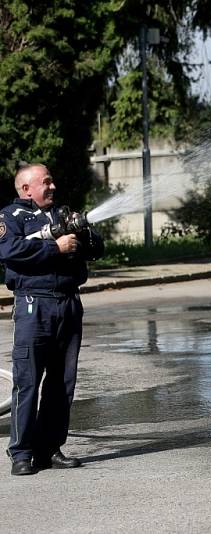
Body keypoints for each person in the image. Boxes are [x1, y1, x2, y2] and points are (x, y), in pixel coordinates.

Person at [1, 164, 104, 475]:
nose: (53, 186)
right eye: (45, 182)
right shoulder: (9, 217)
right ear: (26, 189)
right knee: (28, 380)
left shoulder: (61, 214)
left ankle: (50, 448)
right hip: (35, 305)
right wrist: (54, 247)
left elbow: (97, 248)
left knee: (62, 382)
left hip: (69, 303)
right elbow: (9, 251)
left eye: (52, 180)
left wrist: (83, 233)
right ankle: (21, 454)